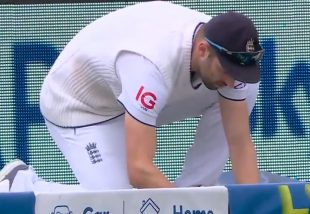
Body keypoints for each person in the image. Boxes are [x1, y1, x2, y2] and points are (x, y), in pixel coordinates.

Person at [0, 0, 264, 192]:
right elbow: (139, 169)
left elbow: (239, 142)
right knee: (120, 206)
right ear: (203, 49)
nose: (231, 78)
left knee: (245, 88)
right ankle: (21, 185)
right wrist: (182, 210)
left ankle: (197, 189)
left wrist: (254, 207)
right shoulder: (151, 64)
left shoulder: (223, 57)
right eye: (225, 69)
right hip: (79, 104)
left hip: (131, 90)